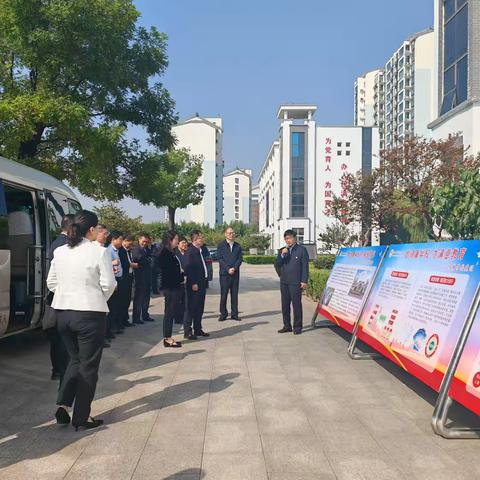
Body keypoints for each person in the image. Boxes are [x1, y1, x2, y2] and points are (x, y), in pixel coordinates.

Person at [47, 210, 116, 430]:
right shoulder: (99, 252)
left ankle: (64, 405)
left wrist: (67, 294)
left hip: (63, 314)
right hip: (89, 314)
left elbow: (51, 283)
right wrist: (94, 298)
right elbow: (109, 284)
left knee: (74, 360)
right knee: (88, 366)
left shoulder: (60, 251)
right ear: (92, 229)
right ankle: (81, 417)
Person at [45, 213, 74, 381]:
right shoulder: (66, 246)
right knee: (62, 339)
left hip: (55, 296)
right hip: (62, 299)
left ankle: (57, 369)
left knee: (56, 338)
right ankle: (62, 371)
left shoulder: (56, 242)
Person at [275, 229, 309, 335]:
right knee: (285, 305)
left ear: (294, 238)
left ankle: (297, 327)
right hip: (284, 282)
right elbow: (277, 264)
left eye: (289, 238)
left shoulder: (302, 250)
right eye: (286, 239)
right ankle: (287, 326)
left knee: (296, 305)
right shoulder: (282, 250)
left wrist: (304, 280)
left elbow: (305, 266)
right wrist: (282, 255)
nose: (288, 241)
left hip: (295, 282)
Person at [158, 231, 183, 348]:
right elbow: (168, 273)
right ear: (169, 240)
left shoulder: (171, 252)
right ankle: (167, 338)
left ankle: (168, 337)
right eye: (176, 239)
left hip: (175, 286)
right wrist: (180, 278)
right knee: (169, 313)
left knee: (171, 312)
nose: (177, 241)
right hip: (170, 287)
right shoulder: (164, 253)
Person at [184, 230, 210, 340]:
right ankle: (187, 331)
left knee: (199, 307)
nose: (202, 239)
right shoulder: (191, 251)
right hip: (194, 284)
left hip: (202, 283)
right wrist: (193, 282)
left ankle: (198, 329)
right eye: (201, 238)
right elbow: (189, 269)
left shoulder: (199, 250)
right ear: (195, 239)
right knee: (191, 308)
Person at [217, 227, 243, 321]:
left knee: (234, 295)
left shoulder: (238, 246)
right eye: (229, 233)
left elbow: (240, 259)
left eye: (233, 233)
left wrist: (234, 268)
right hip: (224, 274)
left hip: (235, 274)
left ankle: (234, 314)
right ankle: (223, 314)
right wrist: (228, 269)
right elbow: (220, 259)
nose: (231, 234)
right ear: (225, 234)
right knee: (224, 295)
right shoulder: (221, 245)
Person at [132, 233, 154, 324]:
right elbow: (141, 259)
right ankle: (136, 317)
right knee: (139, 298)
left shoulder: (147, 250)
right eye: (143, 241)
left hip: (147, 276)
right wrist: (148, 260)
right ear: (139, 239)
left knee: (146, 297)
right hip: (140, 277)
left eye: (147, 242)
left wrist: (148, 260)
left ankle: (145, 315)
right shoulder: (136, 249)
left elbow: (152, 258)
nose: (145, 243)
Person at [106, 231, 124, 336]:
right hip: (114, 280)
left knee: (116, 305)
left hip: (118, 278)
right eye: (120, 239)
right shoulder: (109, 251)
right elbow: (107, 268)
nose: (121, 241)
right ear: (114, 240)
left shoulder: (116, 250)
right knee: (112, 306)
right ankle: (110, 329)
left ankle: (114, 327)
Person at [118, 234, 137, 328]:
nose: (130, 245)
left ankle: (125, 319)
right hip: (123, 278)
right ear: (124, 241)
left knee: (128, 300)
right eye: (129, 243)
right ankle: (121, 321)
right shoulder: (121, 251)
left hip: (129, 277)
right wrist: (131, 265)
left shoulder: (128, 251)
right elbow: (123, 264)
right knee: (123, 301)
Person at [175, 236, 189, 325]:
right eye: (183, 242)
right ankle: (177, 318)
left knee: (185, 299)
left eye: (186, 242)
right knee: (177, 299)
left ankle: (184, 316)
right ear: (178, 244)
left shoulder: (188, 253)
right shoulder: (175, 254)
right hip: (178, 280)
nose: (185, 244)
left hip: (188, 279)